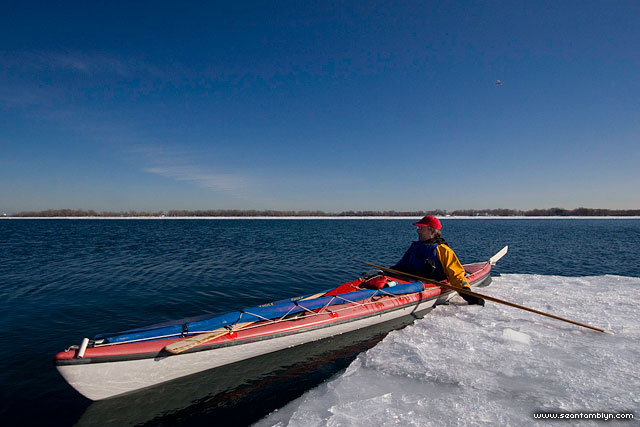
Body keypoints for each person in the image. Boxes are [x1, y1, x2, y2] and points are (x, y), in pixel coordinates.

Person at [391, 215, 484, 306]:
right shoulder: (414, 247)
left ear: (432, 231)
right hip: (409, 282)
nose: (418, 231)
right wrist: (390, 271)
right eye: (418, 228)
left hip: (429, 284)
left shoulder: (443, 250)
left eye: (421, 228)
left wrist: (466, 293)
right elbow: (401, 265)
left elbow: (456, 274)